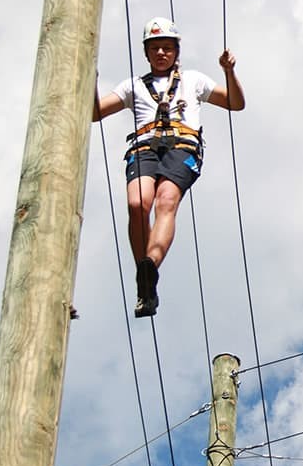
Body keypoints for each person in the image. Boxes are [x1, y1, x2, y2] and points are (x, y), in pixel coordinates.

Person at [93, 17, 244, 317]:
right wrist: (89, 80)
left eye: (166, 48)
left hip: (182, 146)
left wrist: (229, 71)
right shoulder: (132, 86)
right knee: (138, 203)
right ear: (146, 53)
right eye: (155, 49)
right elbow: (95, 113)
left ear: (176, 51)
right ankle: (144, 274)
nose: (161, 53)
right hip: (144, 147)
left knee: (165, 201)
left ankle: (151, 265)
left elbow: (235, 103)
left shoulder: (194, 81)